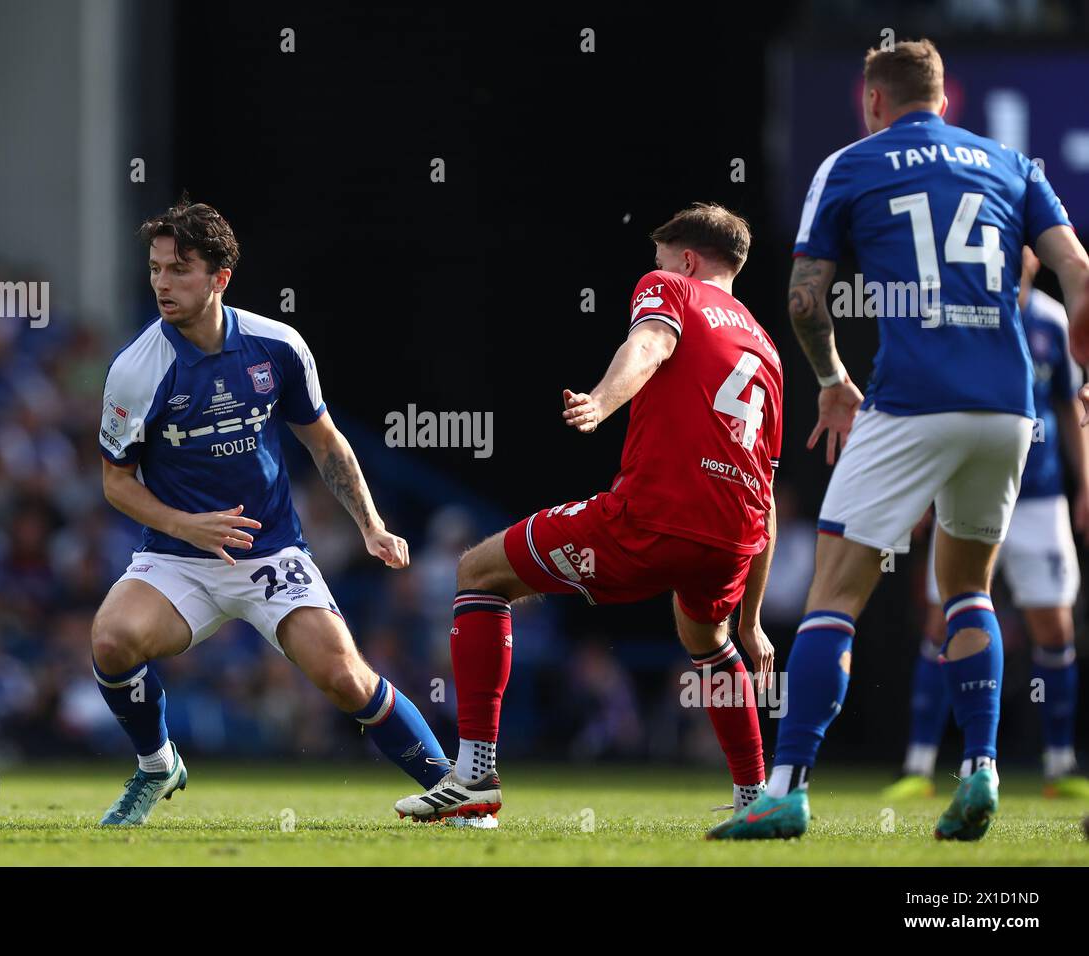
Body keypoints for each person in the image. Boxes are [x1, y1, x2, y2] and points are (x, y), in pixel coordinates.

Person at [710, 39, 1089, 842]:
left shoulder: (850, 164)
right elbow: (1078, 271)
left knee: (836, 594)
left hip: (910, 400)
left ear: (873, 101)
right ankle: (979, 770)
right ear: (946, 100)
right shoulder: (1015, 165)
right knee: (969, 590)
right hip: (1006, 409)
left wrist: (833, 379)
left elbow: (807, 300)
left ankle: (786, 788)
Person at [395, 203, 782, 822]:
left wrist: (601, 403)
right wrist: (753, 620)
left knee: (478, 572)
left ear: (685, 260)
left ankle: (474, 779)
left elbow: (650, 343)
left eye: (659, 258)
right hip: (732, 534)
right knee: (707, 636)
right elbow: (766, 494)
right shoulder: (765, 350)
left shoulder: (669, 288)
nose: (652, 269)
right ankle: (756, 799)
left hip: (652, 518)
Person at [92, 198, 449, 824]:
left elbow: (324, 441)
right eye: (154, 269)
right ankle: (156, 764)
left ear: (220, 277)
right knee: (111, 641)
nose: (162, 283)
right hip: (177, 558)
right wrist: (184, 525)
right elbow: (116, 483)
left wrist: (371, 525)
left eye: (179, 269)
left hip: (272, 555)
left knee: (345, 678)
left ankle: (454, 791)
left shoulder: (276, 345)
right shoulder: (135, 370)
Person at [885, 248, 1089, 802]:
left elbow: (1071, 407)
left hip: (1040, 498)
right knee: (940, 621)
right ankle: (920, 766)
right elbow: (935, 407)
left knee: (1056, 630)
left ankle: (1059, 763)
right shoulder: (961, 313)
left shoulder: (1052, 320)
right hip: (965, 488)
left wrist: (1086, 483)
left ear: (1034, 256)